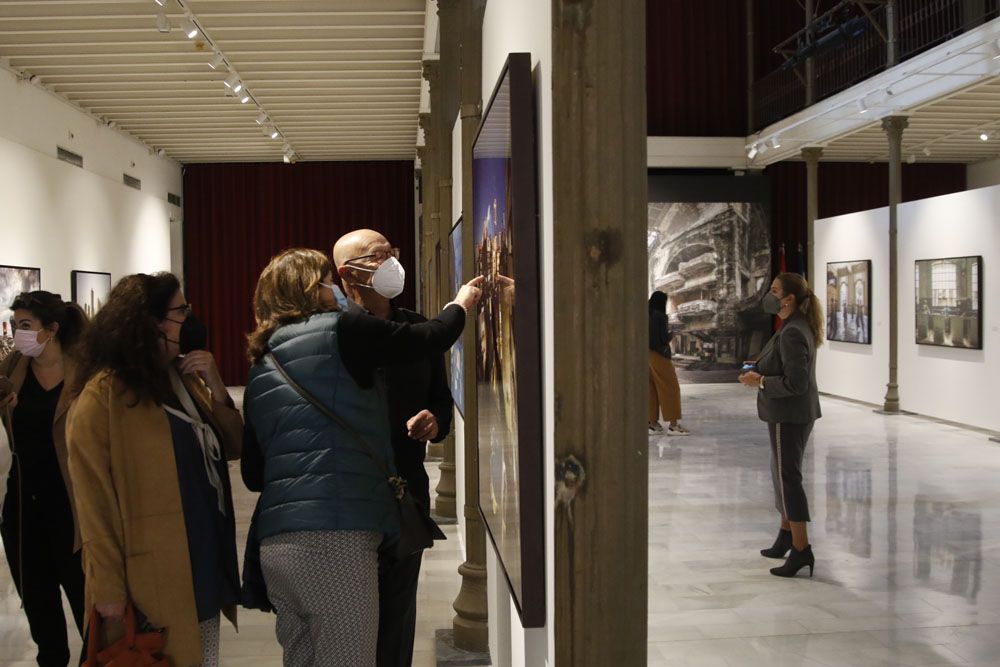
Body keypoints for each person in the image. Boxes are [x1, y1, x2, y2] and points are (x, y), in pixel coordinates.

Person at [240, 248, 482, 666]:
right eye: (323, 281)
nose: (331, 289)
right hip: (338, 539)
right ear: (311, 289)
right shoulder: (341, 330)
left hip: (276, 545)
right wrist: (460, 304)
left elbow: (252, 472)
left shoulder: (263, 359)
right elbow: (430, 338)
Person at [67, 273, 243, 667]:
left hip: (202, 557)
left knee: (204, 657)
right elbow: (93, 504)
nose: (191, 319)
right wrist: (107, 588)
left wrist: (215, 386)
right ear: (150, 323)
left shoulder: (182, 379)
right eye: (181, 311)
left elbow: (233, 447)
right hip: (150, 574)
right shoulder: (102, 397)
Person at [332, 230, 453, 667]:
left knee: (398, 615)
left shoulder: (419, 327)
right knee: (348, 622)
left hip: (406, 494)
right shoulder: (334, 332)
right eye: (377, 256)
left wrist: (435, 420)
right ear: (348, 273)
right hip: (348, 500)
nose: (389, 262)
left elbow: (441, 399)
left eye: (391, 253)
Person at [0, 291, 87, 666]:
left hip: (74, 511)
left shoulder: (85, 372)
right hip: (23, 509)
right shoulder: (12, 368)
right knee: (42, 619)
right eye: (16, 324)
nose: (18, 333)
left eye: (25, 326)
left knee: (93, 616)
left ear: (51, 329)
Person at [739, 272, 823, 578]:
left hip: (788, 414)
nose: (769, 295)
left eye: (774, 290)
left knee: (788, 479)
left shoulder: (792, 331)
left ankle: (801, 548)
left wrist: (759, 381)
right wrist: (756, 368)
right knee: (781, 474)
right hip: (789, 413)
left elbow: (796, 383)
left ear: (788, 299)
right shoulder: (792, 326)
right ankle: (786, 535)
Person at [647, 291, 689, 436]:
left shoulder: (646, 314)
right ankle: (673, 425)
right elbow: (662, 339)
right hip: (659, 355)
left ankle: (652, 424)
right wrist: (673, 333)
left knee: (651, 390)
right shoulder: (660, 316)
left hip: (646, 356)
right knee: (671, 388)